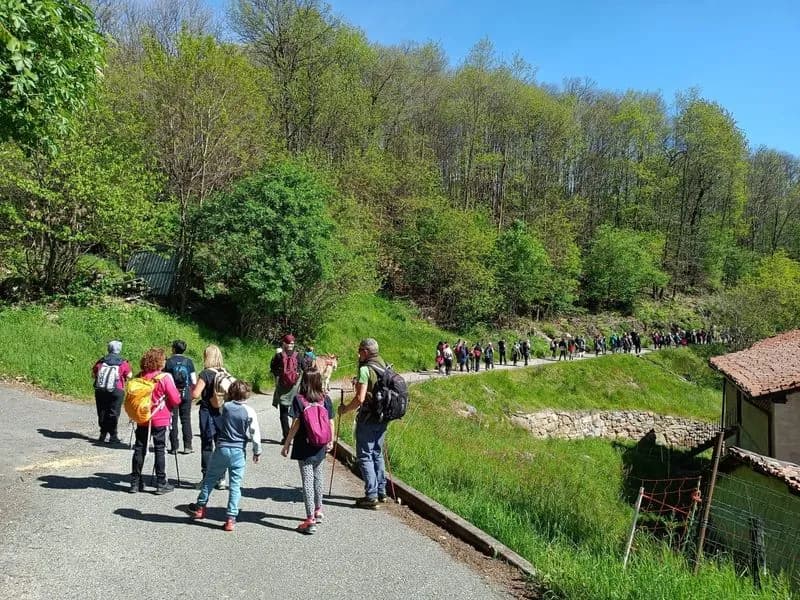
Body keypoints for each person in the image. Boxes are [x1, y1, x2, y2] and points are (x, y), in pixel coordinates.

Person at [191, 380, 261, 532]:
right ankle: (230, 518)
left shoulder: (226, 407)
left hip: (222, 448)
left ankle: (200, 507)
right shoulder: (249, 411)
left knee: (210, 479)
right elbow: (254, 432)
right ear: (247, 394)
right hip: (238, 451)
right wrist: (257, 450)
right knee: (235, 485)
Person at [281, 368, 334, 534]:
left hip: (304, 446)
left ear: (303, 381)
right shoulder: (325, 399)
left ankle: (309, 519)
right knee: (319, 477)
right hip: (321, 445)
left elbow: (296, 424)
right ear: (319, 381)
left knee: (307, 481)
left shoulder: (299, 399)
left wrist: (287, 443)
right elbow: (331, 421)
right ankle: (318, 510)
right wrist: (331, 440)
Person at [339, 338, 389, 509]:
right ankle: (382, 492)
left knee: (365, 455)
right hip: (383, 417)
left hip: (368, 418)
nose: (358, 353)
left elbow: (360, 398)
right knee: (377, 452)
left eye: (360, 350)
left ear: (366, 352)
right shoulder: (384, 364)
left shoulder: (365, 369)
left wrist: (345, 409)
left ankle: (371, 496)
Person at [129, 347, 181, 494]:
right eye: (164, 359)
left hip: (142, 417)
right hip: (160, 417)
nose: (165, 361)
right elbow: (176, 399)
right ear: (159, 362)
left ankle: (135, 482)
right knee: (160, 449)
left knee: (139, 448)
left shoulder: (139, 377)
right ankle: (160, 483)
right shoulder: (164, 378)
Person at [192, 345, 230, 489]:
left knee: (207, 445)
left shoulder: (205, 374)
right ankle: (221, 478)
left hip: (208, 412)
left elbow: (196, 394)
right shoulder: (225, 372)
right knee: (221, 445)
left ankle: (207, 478)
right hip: (222, 412)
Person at [91, 340, 132, 444]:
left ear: (108, 349)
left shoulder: (101, 361)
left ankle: (103, 433)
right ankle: (113, 435)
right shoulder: (123, 362)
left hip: (101, 389)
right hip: (117, 390)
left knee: (102, 411)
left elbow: (94, 373)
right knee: (114, 412)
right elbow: (129, 375)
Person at [164, 340, 197, 455]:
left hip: (172, 393)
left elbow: (165, 378)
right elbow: (193, 380)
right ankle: (188, 446)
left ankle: (174, 447)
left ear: (173, 349)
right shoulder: (189, 362)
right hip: (186, 392)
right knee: (186, 419)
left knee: (173, 420)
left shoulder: (168, 362)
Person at [271, 334, 302, 444]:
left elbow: (273, 368)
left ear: (283, 343)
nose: (290, 344)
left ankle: (286, 437)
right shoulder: (298, 355)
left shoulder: (279, 356)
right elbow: (304, 368)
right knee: (297, 413)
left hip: (282, 387)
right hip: (295, 388)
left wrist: (278, 378)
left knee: (283, 413)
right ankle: (297, 436)